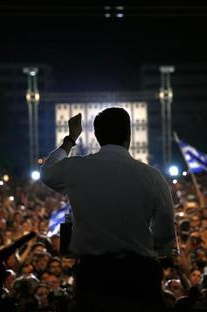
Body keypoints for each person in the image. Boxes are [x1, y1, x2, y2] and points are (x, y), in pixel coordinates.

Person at [40, 107, 176, 311]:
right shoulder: (151, 176)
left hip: (94, 275)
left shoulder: (76, 169)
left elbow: (47, 172)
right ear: (129, 135)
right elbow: (165, 228)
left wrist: (70, 139)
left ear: (96, 136)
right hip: (139, 274)